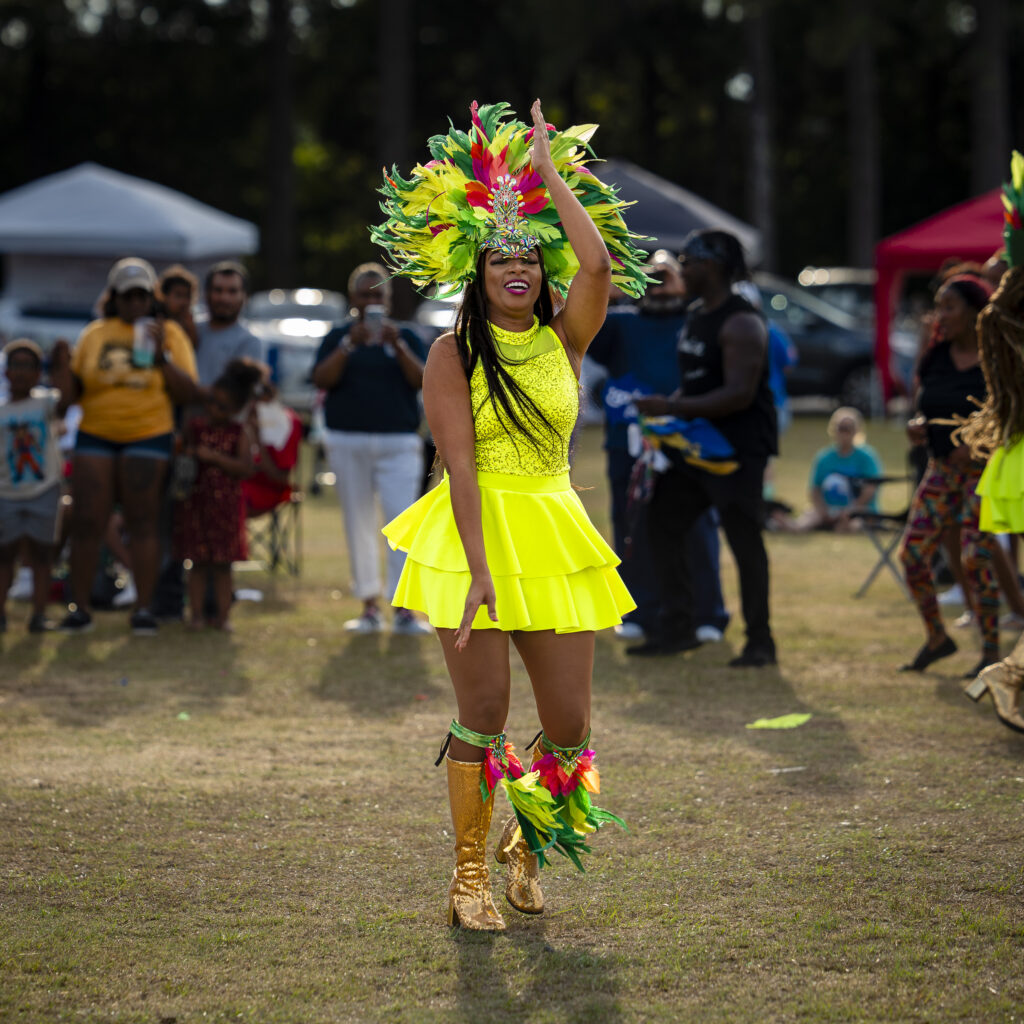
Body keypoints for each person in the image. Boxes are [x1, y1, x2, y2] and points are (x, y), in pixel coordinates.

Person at [375, 99, 646, 930]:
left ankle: (525, 850)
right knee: (484, 715)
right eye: (501, 261)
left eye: (529, 259)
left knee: (569, 729)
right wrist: (480, 568)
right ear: (479, 275)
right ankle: (467, 878)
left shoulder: (567, 337)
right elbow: (458, 467)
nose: (518, 270)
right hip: (475, 540)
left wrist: (552, 174)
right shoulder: (451, 353)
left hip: (555, 532)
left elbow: (598, 267)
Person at [630, 229, 778, 667]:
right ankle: (677, 629)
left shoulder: (742, 322)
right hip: (696, 447)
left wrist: (670, 405)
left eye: (688, 261)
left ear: (712, 267)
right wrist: (670, 416)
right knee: (661, 521)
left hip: (738, 451)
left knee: (744, 542)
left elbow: (738, 394)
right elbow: (697, 380)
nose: (682, 268)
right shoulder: (696, 314)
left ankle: (760, 641)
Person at [49, 257, 199, 635]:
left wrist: (162, 353)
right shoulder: (96, 333)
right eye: (127, 295)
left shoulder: (171, 334)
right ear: (114, 296)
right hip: (96, 434)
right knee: (87, 521)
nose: (135, 303)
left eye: (142, 295)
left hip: (148, 434)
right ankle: (79, 608)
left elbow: (187, 393)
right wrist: (62, 367)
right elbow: (70, 397)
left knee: (143, 522)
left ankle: (143, 609)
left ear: (152, 297)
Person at [588, 249, 729, 644]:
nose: (661, 281)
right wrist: (607, 288)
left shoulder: (700, 322)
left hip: (690, 439)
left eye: (669, 274)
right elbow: (579, 329)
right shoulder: (619, 325)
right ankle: (639, 612)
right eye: (652, 275)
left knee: (698, 526)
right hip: (630, 443)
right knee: (632, 524)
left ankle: (707, 613)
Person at [312, 263, 431, 635]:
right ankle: (368, 605)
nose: (371, 301)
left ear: (388, 299)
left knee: (401, 523)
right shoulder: (338, 336)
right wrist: (350, 345)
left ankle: (404, 609)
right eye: (365, 294)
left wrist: (395, 346)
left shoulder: (406, 336)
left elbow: (424, 380)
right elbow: (321, 379)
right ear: (353, 299)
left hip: (399, 441)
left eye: (378, 294)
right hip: (348, 439)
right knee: (358, 521)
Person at [897, 271, 998, 675]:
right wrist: (918, 424)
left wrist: (975, 443)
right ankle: (937, 638)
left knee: (977, 559)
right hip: (940, 470)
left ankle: (991, 652)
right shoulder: (936, 356)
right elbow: (926, 403)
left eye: (949, 306)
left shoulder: (997, 357)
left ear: (976, 312)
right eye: (939, 305)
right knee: (913, 556)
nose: (940, 314)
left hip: (981, 474)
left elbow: (1008, 412)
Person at [961, 156, 1024, 729]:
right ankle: (1011, 670)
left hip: (1015, 451)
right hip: (1019, 452)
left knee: (998, 541)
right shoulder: (1004, 321)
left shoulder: (1000, 320)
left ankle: (1010, 670)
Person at [174, 359, 261, 631]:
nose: (212, 409)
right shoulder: (197, 427)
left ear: (235, 409)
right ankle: (196, 615)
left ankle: (223, 617)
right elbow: (182, 451)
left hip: (225, 507)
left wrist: (214, 458)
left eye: (221, 406)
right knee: (197, 563)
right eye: (211, 401)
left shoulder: (238, 432)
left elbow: (246, 468)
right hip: (197, 503)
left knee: (223, 566)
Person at [0, 340, 64, 632]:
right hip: (6, 492)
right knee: (4, 555)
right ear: (6, 371)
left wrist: (62, 364)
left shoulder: (45, 402)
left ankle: (38, 615)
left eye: (29, 365)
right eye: (16, 365)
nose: (22, 372)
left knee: (42, 555)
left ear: (40, 372)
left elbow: (70, 398)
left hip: (44, 488)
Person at [769, 407, 882, 533]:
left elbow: (871, 488)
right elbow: (815, 489)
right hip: (827, 509)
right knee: (805, 522)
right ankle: (783, 523)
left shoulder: (867, 457)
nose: (844, 433)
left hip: (858, 510)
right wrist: (822, 510)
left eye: (848, 429)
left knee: (853, 525)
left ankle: (841, 525)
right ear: (833, 430)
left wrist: (851, 509)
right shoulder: (824, 457)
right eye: (840, 428)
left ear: (856, 431)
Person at [241, 372, 303, 518]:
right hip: (238, 485)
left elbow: (279, 479)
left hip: (268, 489)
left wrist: (257, 439)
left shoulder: (287, 423)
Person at [194, 262, 262, 392]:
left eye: (232, 291)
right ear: (206, 293)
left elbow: (237, 396)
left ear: (245, 296)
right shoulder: (191, 330)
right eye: (218, 290)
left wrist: (190, 392)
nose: (224, 298)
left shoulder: (249, 341)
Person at [158, 264, 200, 349]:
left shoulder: (192, 323)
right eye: (178, 295)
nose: (184, 302)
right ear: (165, 295)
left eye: (187, 296)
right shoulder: (156, 320)